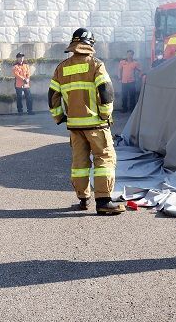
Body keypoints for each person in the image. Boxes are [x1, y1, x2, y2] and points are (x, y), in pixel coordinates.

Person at [48, 28, 125, 215]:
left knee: (80, 164)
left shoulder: (62, 67)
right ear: (90, 44)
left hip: (75, 126)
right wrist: (106, 115)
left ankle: (83, 200)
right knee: (104, 159)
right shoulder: (96, 65)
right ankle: (104, 202)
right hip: (96, 124)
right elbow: (106, 91)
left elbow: (52, 96)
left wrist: (60, 116)